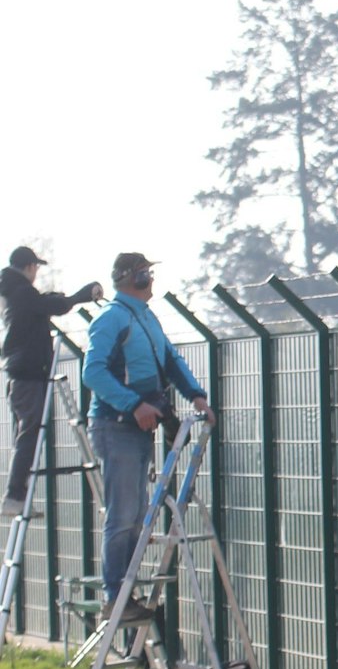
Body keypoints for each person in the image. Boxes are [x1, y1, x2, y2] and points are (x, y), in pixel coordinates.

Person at [81, 254, 215, 614]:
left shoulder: (145, 317)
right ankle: (116, 597)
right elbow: (93, 373)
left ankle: (128, 594)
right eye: (147, 273)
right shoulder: (111, 318)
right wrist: (133, 405)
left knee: (138, 513)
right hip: (117, 427)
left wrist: (197, 396)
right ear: (133, 277)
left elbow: (170, 360)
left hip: (140, 428)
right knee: (123, 515)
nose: (151, 279)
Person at [2, 246, 101, 518]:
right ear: (31, 267)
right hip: (29, 373)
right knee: (30, 432)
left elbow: (41, 303)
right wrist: (78, 297)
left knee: (24, 434)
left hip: (18, 372)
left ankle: (17, 495)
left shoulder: (13, 291)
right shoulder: (22, 292)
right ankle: (13, 495)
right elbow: (47, 306)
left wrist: (59, 298)